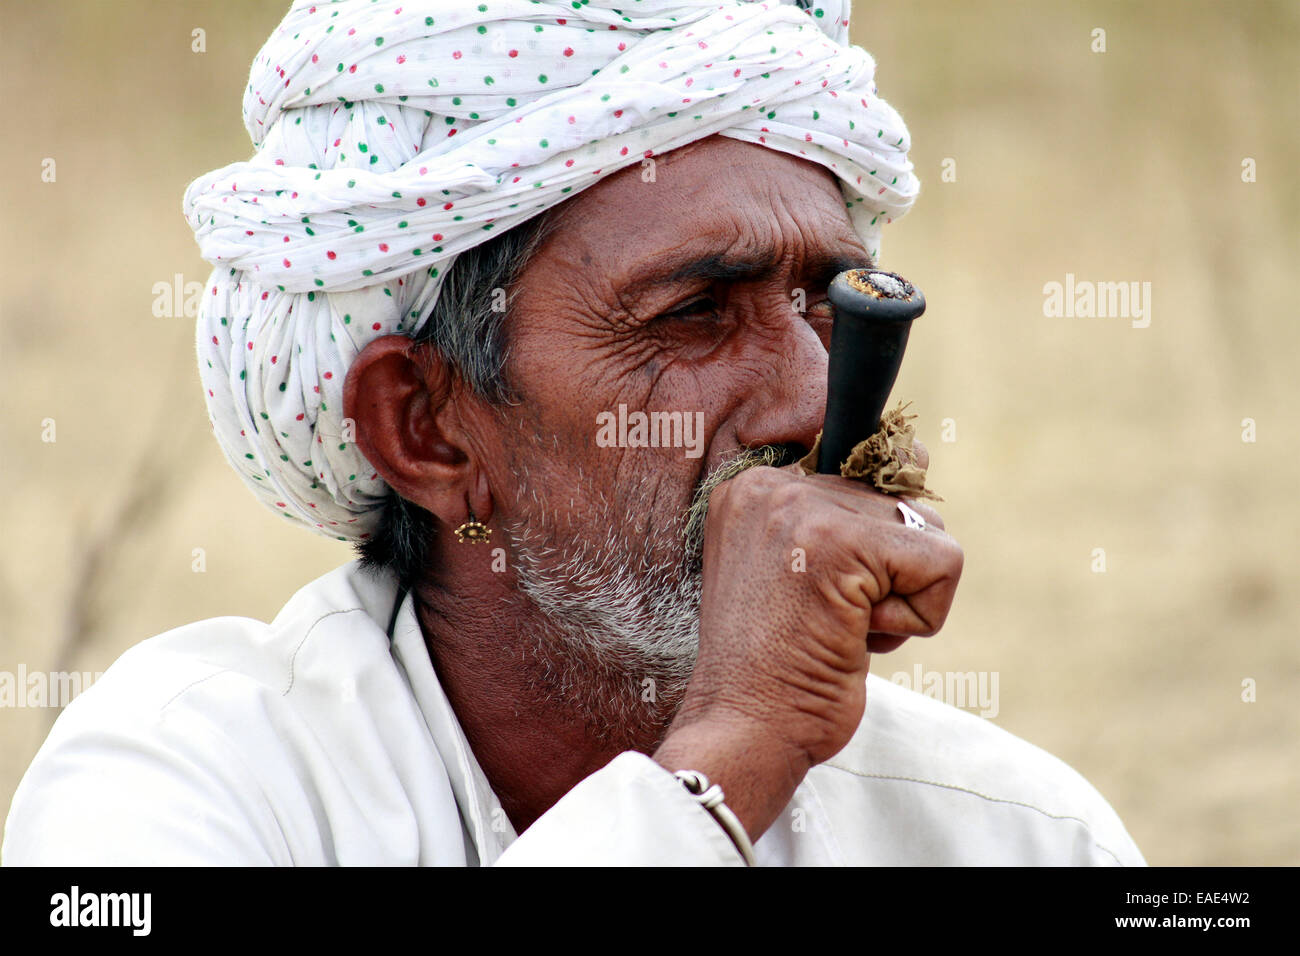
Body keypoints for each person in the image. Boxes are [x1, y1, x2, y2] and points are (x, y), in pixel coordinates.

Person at [3, 0, 1144, 866]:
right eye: (694, 315)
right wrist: (724, 763)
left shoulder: (1010, 833)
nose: (807, 398)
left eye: (827, 305)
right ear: (428, 431)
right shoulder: (185, 783)